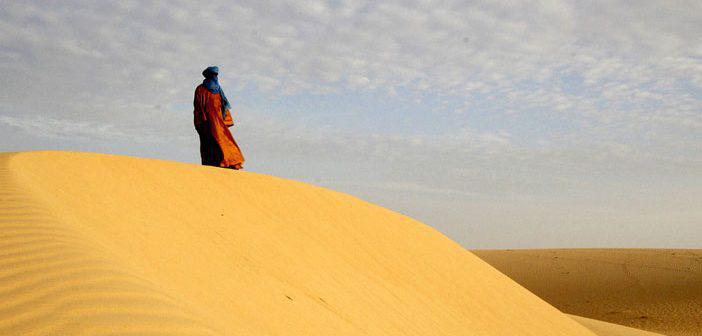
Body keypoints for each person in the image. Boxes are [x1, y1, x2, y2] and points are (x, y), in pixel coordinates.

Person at [193, 66, 244, 169]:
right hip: (207, 121)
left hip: (218, 121)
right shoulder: (200, 89)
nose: (215, 77)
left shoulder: (218, 90)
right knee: (209, 141)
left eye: (216, 75)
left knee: (224, 140)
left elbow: (224, 105)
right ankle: (215, 163)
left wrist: (226, 119)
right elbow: (198, 106)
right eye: (213, 75)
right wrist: (201, 121)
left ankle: (229, 162)